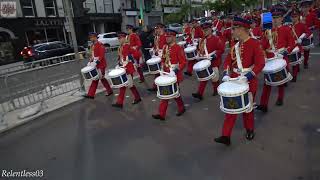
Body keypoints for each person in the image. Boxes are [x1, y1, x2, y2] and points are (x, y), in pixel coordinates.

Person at [214, 16, 265, 146]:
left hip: (249, 80)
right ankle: (226, 136)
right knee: (231, 107)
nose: (232, 31)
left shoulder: (254, 43)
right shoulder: (235, 45)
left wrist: (248, 76)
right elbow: (227, 61)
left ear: (242, 29)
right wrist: (225, 73)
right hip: (234, 79)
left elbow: (260, 63)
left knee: (248, 108)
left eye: (234, 29)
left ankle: (249, 129)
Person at [256, 6, 296, 112]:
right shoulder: (267, 31)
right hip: (270, 59)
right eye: (273, 17)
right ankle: (264, 104)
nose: (275, 19)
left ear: (282, 18)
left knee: (280, 80)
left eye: (277, 17)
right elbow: (262, 46)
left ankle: (280, 97)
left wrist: (286, 50)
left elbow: (292, 43)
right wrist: (263, 53)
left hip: (282, 58)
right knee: (267, 82)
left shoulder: (287, 29)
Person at [152, 29, 187, 121]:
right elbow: (163, 59)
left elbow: (183, 62)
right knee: (167, 93)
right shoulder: (165, 47)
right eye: (166, 36)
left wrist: (175, 70)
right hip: (166, 73)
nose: (167, 38)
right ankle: (162, 114)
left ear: (174, 37)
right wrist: (161, 67)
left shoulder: (178, 48)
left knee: (174, 93)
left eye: (169, 37)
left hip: (174, 73)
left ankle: (179, 108)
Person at [192, 23, 225, 100]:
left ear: (210, 29)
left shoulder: (216, 39)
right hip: (205, 61)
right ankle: (199, 93)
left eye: (206, 30)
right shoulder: (203, 40)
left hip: (214, 61)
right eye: (204, 30)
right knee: (204, 78)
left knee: (214, 78)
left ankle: (216, 90)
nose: (205, 32)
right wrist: (199, 55)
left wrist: (215, 56)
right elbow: (201, 49)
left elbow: (221, 49)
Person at [112, 32, 142, 108]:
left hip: (128, 68)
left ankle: (136, 98)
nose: (119, 39)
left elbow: (137, 54)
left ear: (124, 38)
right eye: (118, 38)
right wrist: (119, 63)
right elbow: (120, 57)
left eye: (120, 38)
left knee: (129, 85)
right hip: (123, 68)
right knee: (124, 85)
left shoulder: (127, 46)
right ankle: (120, 102)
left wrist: (131, 57)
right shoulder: (120, 47)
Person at [84, 32, 113, 99]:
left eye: (92, 37)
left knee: (97, 78)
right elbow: (92, 55)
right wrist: (90, 61)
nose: (91, 39)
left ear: (95, 37)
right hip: (95, 65)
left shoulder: (100, 44)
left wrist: (96, 62)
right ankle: (109, 91)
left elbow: (101, 55)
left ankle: (91, 94)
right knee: (100, 78)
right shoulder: (92, 46)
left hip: (101, 65)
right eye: (90, 37)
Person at [291, 9, 312, 82]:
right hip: (291, 45)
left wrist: (302, 36)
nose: (294, 18)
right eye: (292, 16)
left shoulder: (302, 25)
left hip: (298, 46)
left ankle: (294, 77)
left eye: (295, 16)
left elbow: (308, 33)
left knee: (295, 61)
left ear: (298, 17)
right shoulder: (289, 26)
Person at [147, 23, 167, 92]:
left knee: (163, 72)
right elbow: (156, 46)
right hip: (157, 55)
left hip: (164, 56)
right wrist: (153, 49)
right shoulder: (157, 37)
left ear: (162, 28)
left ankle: (163, 87)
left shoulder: (165, 36)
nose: (156, 30)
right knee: (157, 72)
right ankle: (155, 86)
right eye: (156, 29)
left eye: (157, 29)